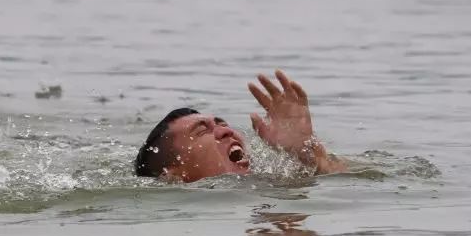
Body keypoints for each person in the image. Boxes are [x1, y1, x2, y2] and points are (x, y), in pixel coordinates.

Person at [134, 69, 348, 182]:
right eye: (202, 131)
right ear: (173, 177)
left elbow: (346, 183)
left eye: (222, 123)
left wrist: (308, 156)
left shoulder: (270, 182)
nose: (226, 130)